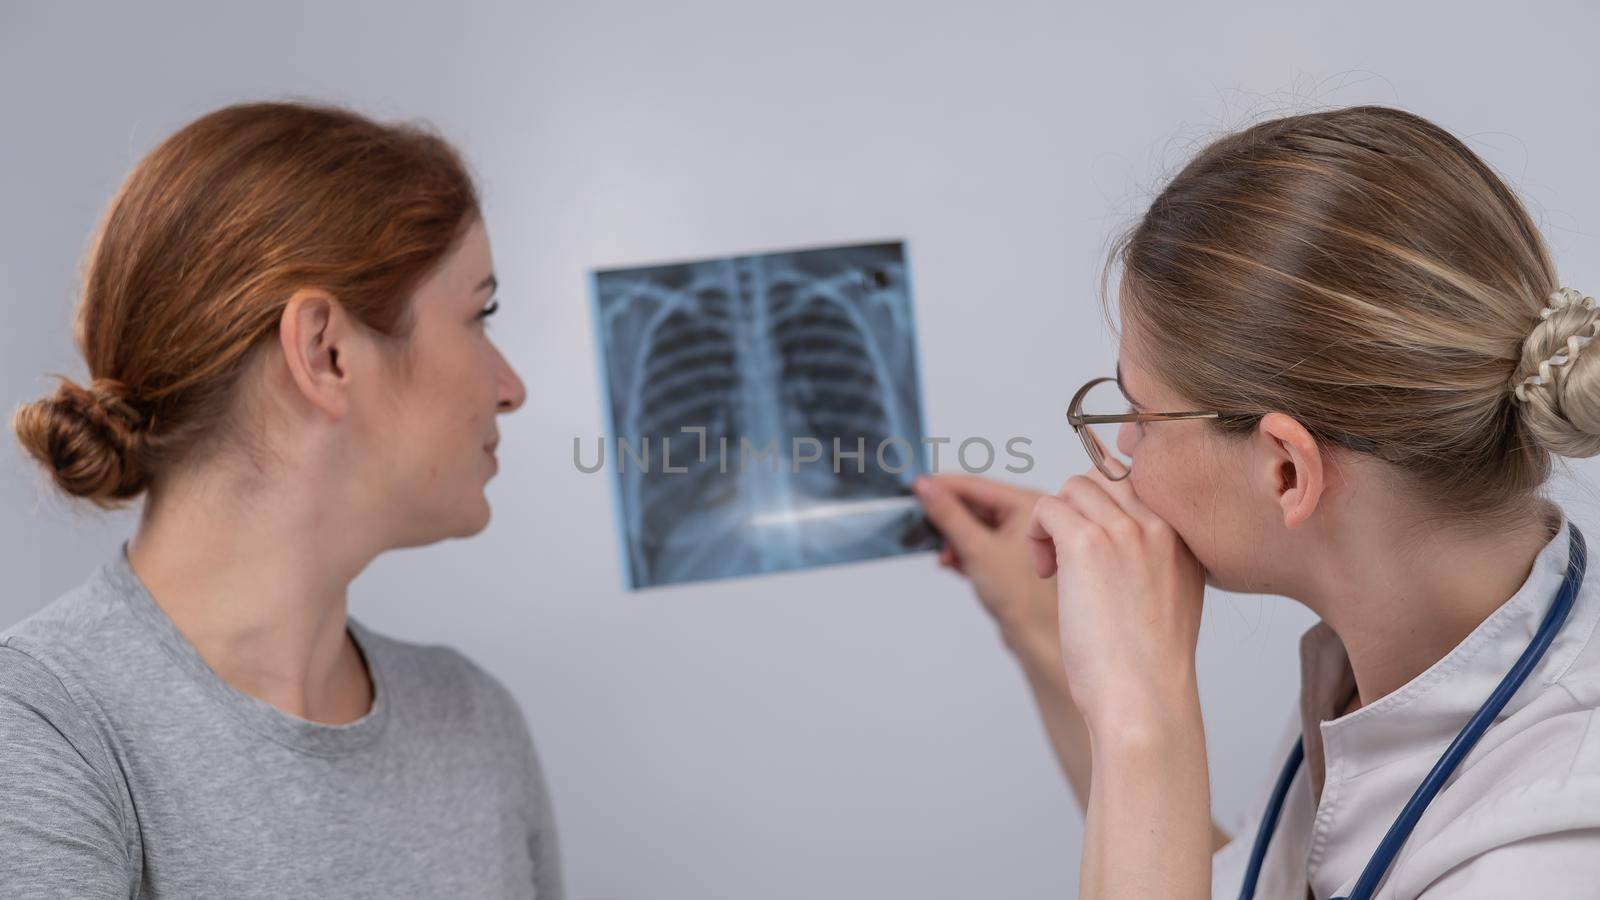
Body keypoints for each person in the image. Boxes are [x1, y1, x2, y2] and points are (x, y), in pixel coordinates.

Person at [915, 105, 1600, 898]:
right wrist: (1040, 637)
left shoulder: (1550, 855)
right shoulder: (1380, 655)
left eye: (1141, 418)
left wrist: (1142, 708)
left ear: (1285, 471)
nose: (1122, 457)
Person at [2, 101, 563, 898]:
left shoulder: (473, 725)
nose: (510, 389)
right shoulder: (42, 729)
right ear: (324, 352)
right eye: (478, 315)